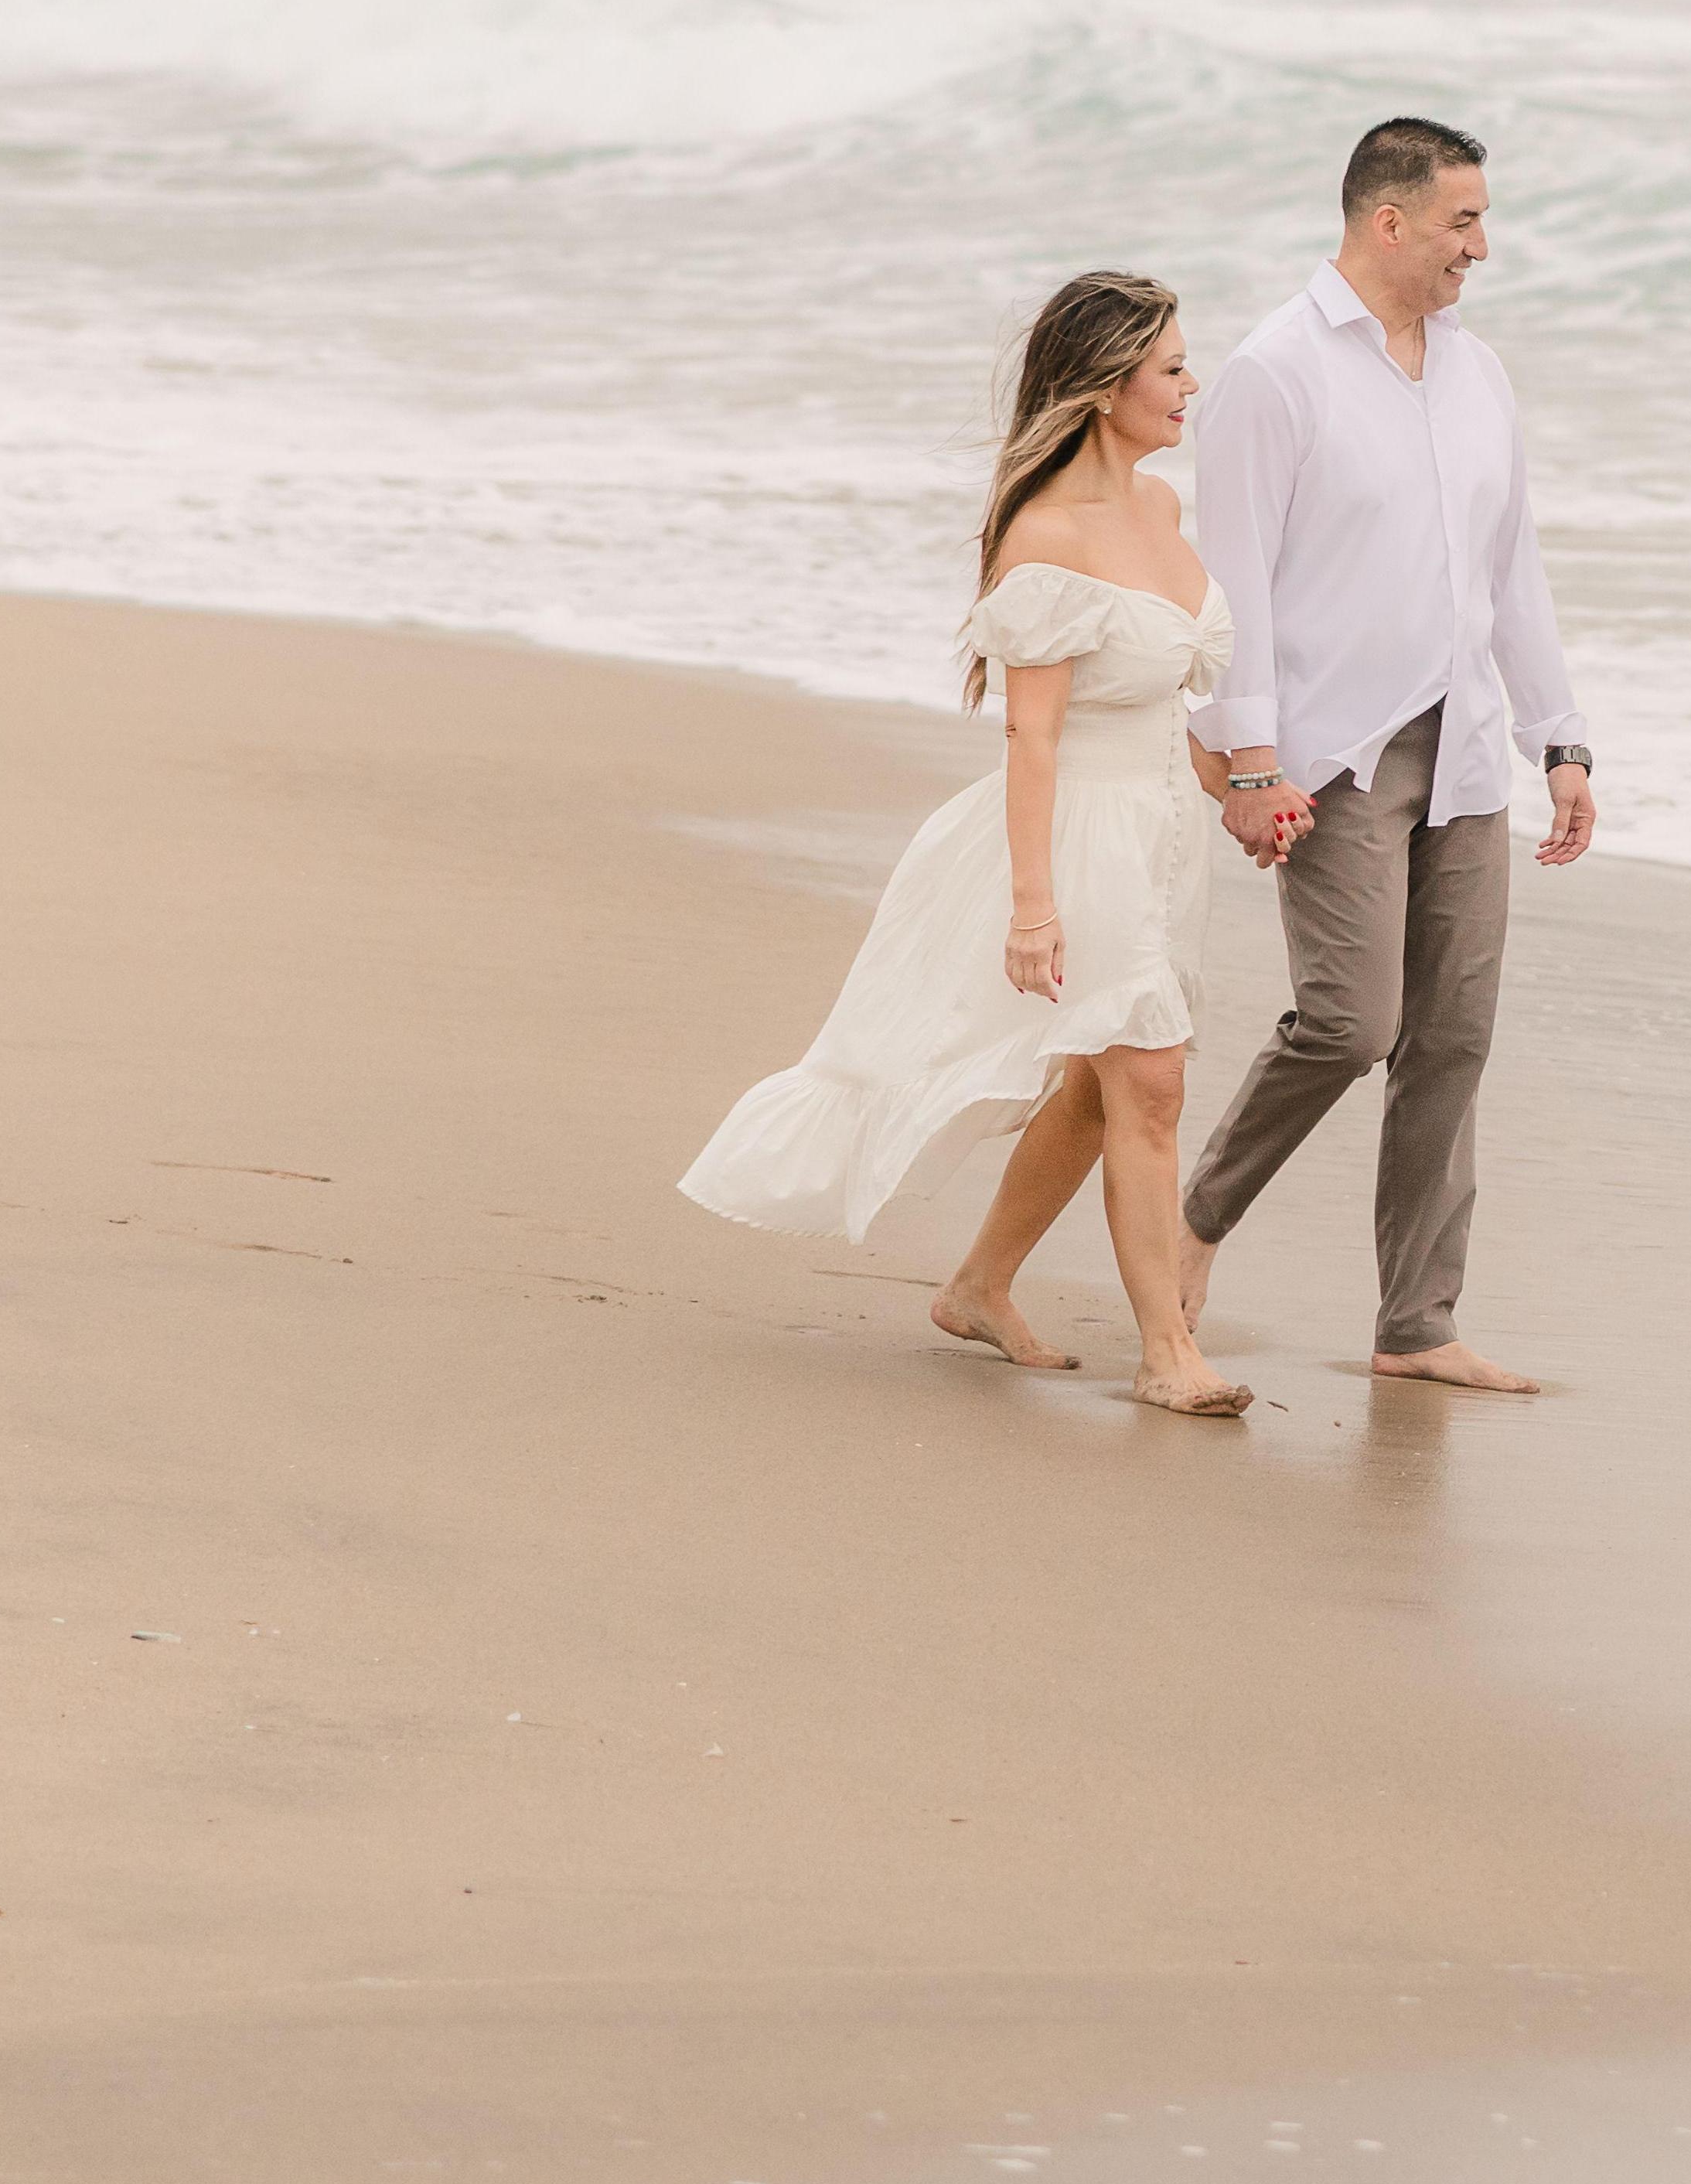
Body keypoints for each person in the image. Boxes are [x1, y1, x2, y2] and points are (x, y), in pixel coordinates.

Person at [678, 271, 1265, 1418]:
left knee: (1097, 1090)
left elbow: (1153, 700)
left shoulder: (1159, 511)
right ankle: (1167, 1355)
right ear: (1106, 387)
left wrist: (1244, 783)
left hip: (1162, 838)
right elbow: (1032, 735)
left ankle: (979, 1285)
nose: (1192, 385)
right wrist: (1033, 909)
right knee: (1150, 1083)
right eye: (1171, 368)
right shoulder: (1047, 536)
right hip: (1079, 842)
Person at [1178, 116, 1594, 1394]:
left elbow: (1511, 567)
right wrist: (1249, 760)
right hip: (1332, 755)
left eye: (1483, 220)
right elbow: (1231, 582)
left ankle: (1416, 1325)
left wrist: (1557, 738)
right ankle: (1189, 1223)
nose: (1482, 246)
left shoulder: (1478, 374)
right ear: (1389, 220)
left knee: (1451, 1039)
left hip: (1463, 749)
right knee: (1352, 1024)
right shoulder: (1276, 372)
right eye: (1464, 221)